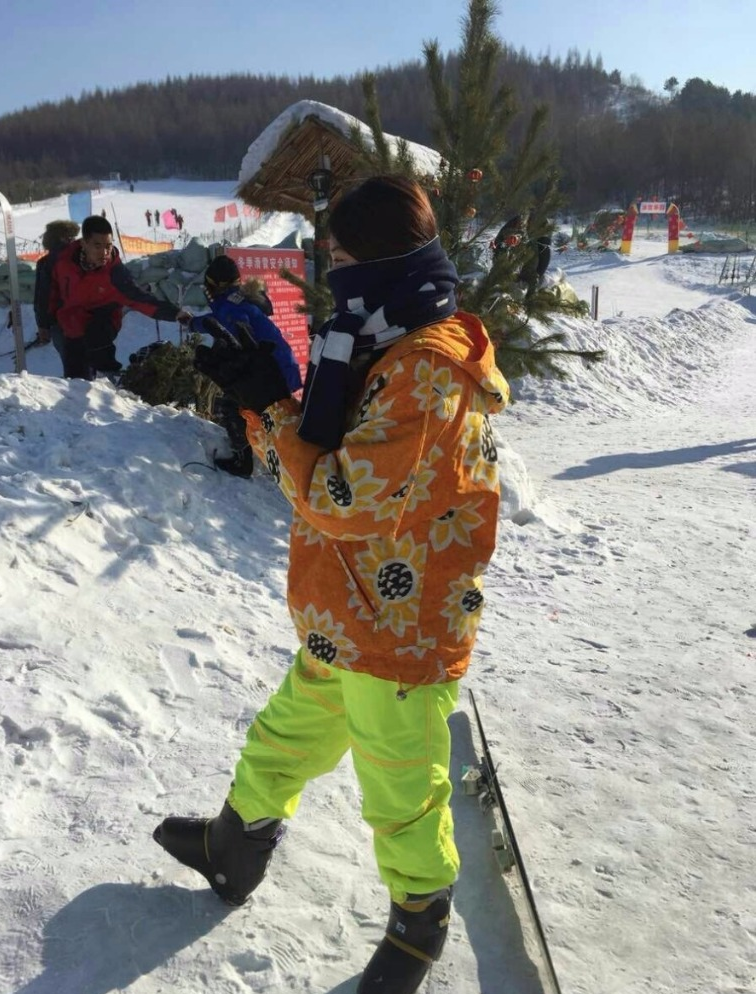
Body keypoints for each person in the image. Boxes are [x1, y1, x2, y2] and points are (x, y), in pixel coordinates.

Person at [154, 176, 509, 994]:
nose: (332, 274)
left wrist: (266, 408)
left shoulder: (424, 373)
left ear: (387, 260)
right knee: (282, 737)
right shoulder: (378, 337)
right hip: (348, 613)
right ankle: (233, 846)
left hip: (400, 627)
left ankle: (420, 922)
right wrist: (266, 398)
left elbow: (341, 500)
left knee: (401, 788)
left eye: (342, 258)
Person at [188, 254, 302, 477]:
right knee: (269, 414)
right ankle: (276, 455)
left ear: (214, 285)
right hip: (279, 365)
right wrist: (192, 322)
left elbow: (232, 328)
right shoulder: (238, 299)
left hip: (270, 371)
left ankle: (243, 461)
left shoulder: (231, 307)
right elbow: (216, 320)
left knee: (233, 406)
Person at [47, 215, 190, 380]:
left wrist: (174, 313)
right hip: (71, 326)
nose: (104, 252)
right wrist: (46, 322)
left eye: (108, 246)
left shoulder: (114, 274)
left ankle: (111, 379)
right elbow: (50, 291)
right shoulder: (62, 261)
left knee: (96, 338)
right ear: (84, 243)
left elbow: (139, 298)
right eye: (97, 246)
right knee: (75, 378)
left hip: (102, 322)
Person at [33, 220, 80, 368]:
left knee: (72, 366)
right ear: (63, 238)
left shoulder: (46, 263)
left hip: (60, 322)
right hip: (85, 319)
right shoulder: (83, 258)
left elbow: (42, 298)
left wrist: (42, 325)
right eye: (71, 236)